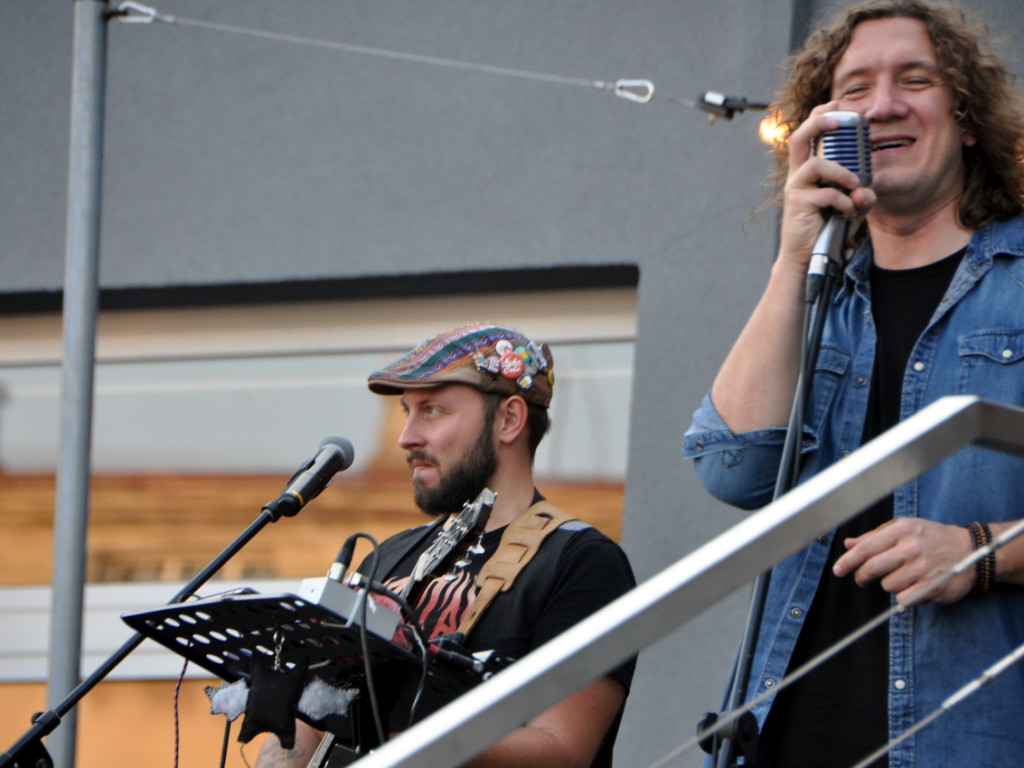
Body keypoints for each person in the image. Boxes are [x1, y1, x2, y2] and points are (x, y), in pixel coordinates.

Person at [682, 1, 1024, 766]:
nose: (884, 105)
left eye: (915, 80)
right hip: (784, 736)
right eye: (856, 88)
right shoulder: (818, 293)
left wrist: (982, 550)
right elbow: (731, 466)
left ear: (967, 118)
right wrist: (791, 258)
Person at [257, 322, 636, 768]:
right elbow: (304, 728)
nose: (407, 437)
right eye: (407, 412)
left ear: (509, 419)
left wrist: (395, 730)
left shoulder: (581, 562)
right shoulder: (386, 557)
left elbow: (562, 752)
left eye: (432, 411)